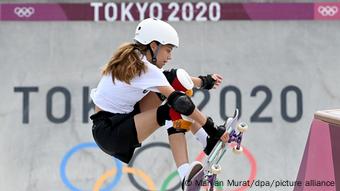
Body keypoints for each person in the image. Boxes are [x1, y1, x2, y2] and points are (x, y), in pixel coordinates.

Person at [90, 18, 228, 190]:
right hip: (110, 132)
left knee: (174, 80)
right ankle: (186, 175)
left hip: (122, 118)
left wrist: (204, 81)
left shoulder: (136, 57)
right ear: (154, 46)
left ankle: (208, 142)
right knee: (172, 107)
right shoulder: (143, 67)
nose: (170, 56)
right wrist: (212, 127)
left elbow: (171, 78)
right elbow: (179, 102)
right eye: (168, 50)